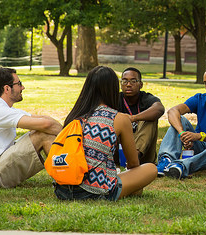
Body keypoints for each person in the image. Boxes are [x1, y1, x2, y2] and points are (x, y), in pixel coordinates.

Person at [54, 66, 157, 201]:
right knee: (150, 169)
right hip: (95, 191)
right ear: (113, 89)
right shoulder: (119, 118)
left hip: (62, 189)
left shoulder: (74, 116)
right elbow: (133, 164)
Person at [0, 67, 63, 188]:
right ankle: (66, 180)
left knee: (40, 130)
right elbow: (47, 125)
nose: (23, 87)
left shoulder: (0, 107)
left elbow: (42, 119)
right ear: (7, 88)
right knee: (43, 135)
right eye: (19, 84)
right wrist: (70, 136)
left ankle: (66, 175)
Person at [115, 67, 165, 164]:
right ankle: (126, 159)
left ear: (141, 85)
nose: (128, 85)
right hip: (119, 152)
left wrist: (133, 118)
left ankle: (134, 158)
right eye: (124, 81)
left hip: (144, 155)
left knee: (150, 119)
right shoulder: (115, 99)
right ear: (121, 85)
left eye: (133, 81)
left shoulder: (146, 98)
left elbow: (159, 108)